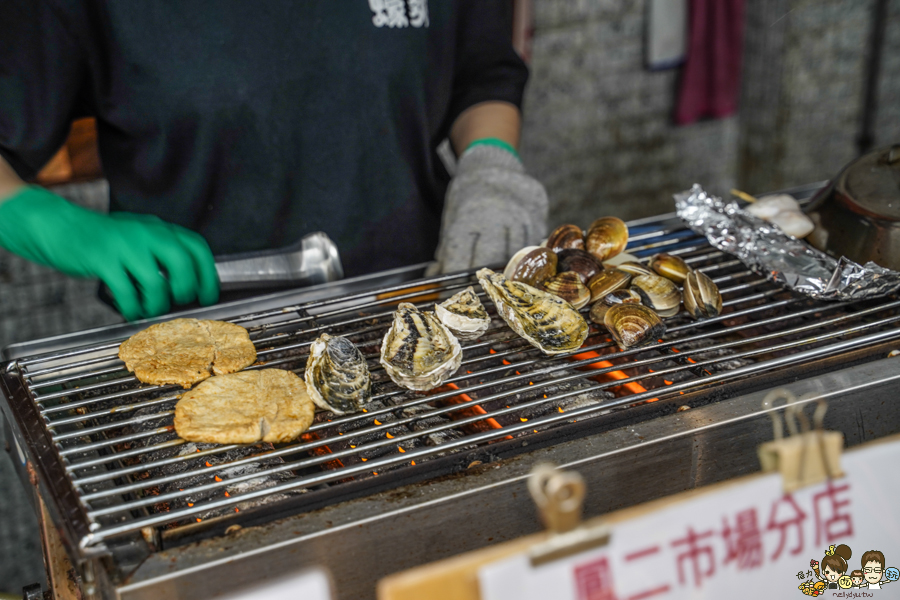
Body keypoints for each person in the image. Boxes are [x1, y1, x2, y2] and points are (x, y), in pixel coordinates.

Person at [0, 2, 548, 321]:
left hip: (424, 295)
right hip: (202, 328)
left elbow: (484, 73)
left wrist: (491, 166)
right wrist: (46, 222)